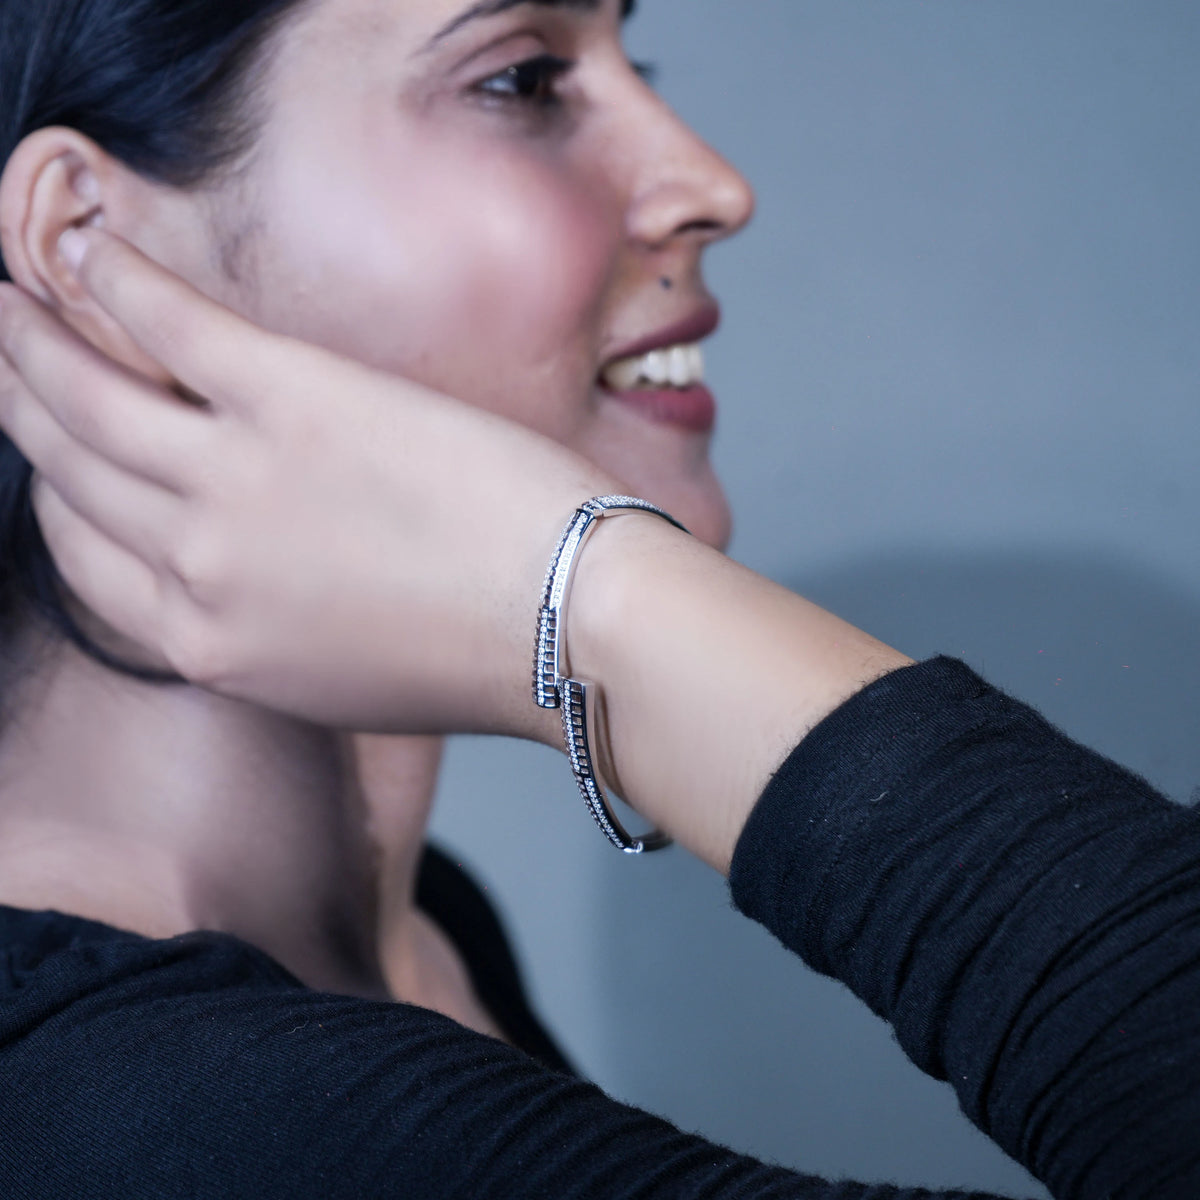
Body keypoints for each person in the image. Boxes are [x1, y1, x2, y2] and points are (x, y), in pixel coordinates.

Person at [1, 5, 1198, 1200]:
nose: (713, 186)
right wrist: (599, 595)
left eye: (639, 60)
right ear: (89, 243)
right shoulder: (160, 1107)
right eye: (522, 79)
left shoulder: (418, 942)